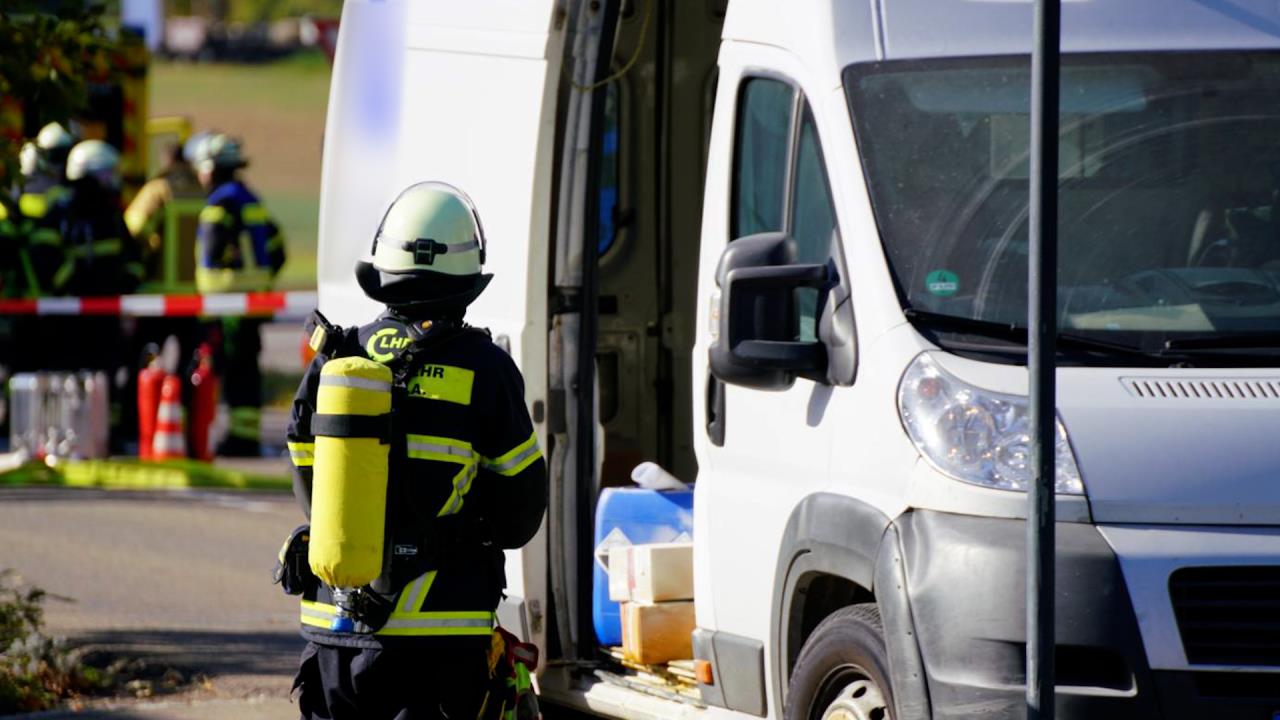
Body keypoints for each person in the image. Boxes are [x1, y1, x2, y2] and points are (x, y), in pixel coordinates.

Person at [279, 181, 547, 719]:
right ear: (468, 277)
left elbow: (309, 482)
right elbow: (519, 517)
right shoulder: (485, 369)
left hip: (333, 635)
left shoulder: (338, 357)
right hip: (436, 640)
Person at [193, 134, 286, 456]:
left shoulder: (220, 202)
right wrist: (260, 278)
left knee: (233, 371)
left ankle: (237, 439)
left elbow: (214, 247)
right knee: (246, 370)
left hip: (228, 302)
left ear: (211, 168)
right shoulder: (249, 198)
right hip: (253, 302)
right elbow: (277, 248)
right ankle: (245, 435)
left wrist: (225, 270)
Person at [124, 138, 205, 280]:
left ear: (166, 160)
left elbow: (134, 228)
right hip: (199, 285)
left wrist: (151, 247)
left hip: (164, 283)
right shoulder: (205, 189)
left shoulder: (158, 189)